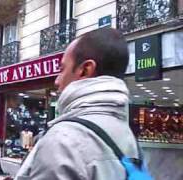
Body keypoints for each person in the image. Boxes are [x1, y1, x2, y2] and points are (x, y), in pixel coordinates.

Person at [15, 28, 139, 179]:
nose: (57, 80)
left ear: (85, 69)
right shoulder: (128, 136)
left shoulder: (63, 140)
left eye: (62, 69)